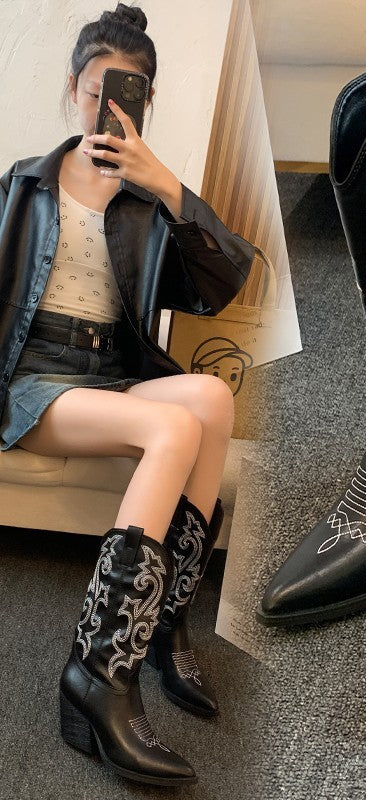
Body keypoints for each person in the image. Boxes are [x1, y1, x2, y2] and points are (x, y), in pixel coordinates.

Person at [0, 4, 255, 786]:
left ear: (145, 99)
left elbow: (224, 281)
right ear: (73, 88)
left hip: (110, 372)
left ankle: (167, 627)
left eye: (126, 94)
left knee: (210, 400)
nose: (105, 108)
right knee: (171, 430)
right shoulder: (24, 184)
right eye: (93, 92)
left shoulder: (148, 200)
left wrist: (167, 185)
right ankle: (100, 673)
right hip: (33, 378)